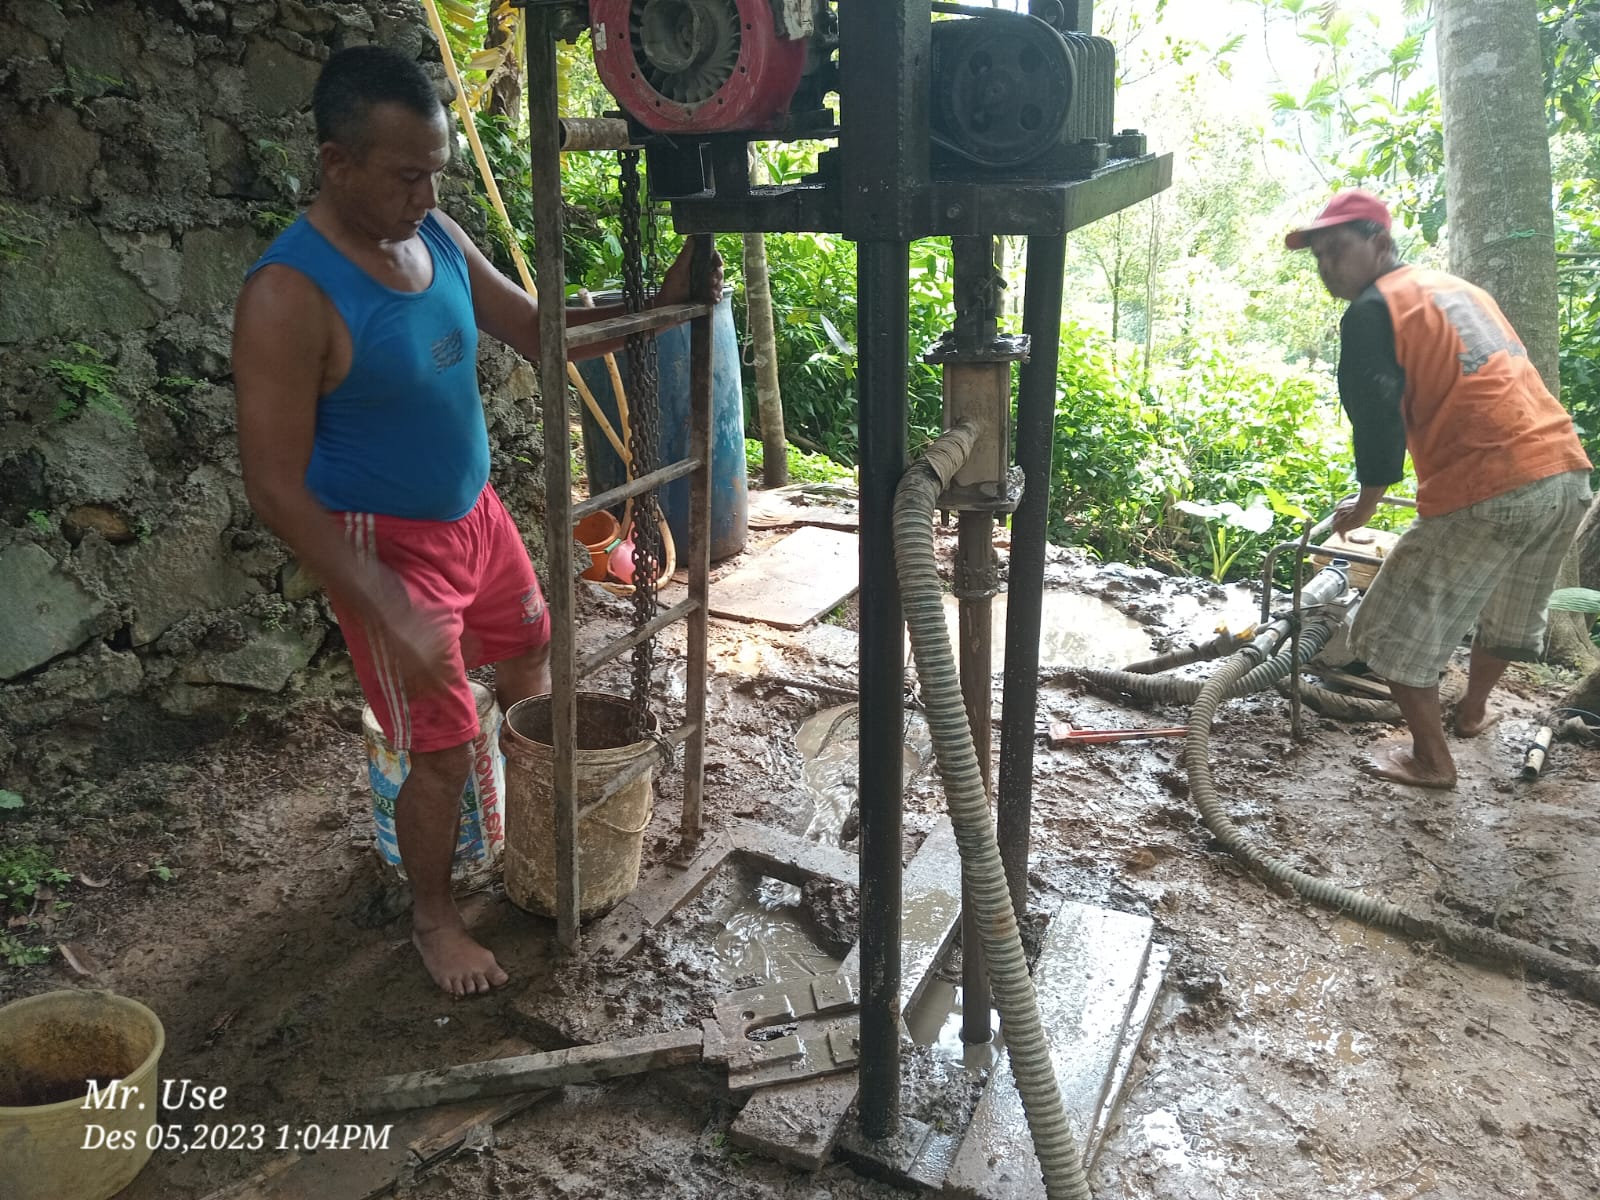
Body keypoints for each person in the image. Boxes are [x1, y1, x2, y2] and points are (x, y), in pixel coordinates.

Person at [232, 45, 718, 995]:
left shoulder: (439, 236)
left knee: (532, 656)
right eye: (406, 174)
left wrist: (653, 311)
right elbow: (275, 488)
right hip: (385, 546)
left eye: (435, 172)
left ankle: (514, 831)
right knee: (446, 742)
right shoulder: (289, 295)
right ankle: (433, 918)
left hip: (476, 518)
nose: (425, 191)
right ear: (336, 164)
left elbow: (539, 329)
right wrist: (388, 605)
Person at [1286, 189, 1592, 789]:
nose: (1327, 267)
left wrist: (1369, 501)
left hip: (1490, 482)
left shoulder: (1374, 309)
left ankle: (1431, 760)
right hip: (1564, 473)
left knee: (1385, 629)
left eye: (1337, 250)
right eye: (1318, 255)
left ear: (1379, 242)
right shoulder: (1456, 290)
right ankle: (1472, 713)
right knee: (1510, 611)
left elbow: (1377, 416)